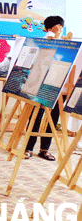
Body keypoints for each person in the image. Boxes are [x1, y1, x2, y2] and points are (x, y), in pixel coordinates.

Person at [25, 15, 66, 160]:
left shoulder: (66, 43)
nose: (60, 29)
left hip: (58, 84)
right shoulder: (42, 40)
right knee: (35, 115)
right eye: (59, 27)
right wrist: (54, 35)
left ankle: (44, 149)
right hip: (39, 83)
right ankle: (28, 148)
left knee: (53, 117)